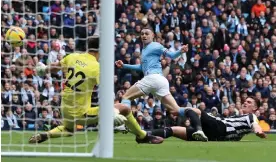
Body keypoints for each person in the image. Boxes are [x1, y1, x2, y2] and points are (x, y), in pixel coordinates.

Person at [29, 37, 163, 144]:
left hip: (65, 107)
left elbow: (55, 67)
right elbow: (106, 93)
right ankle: (142, 136)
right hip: (81, 113)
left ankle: (45, 135)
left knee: (69, 129)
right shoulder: (96, 67)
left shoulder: (72, 57)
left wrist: (44, 69)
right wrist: (112, 113)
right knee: (125, 108)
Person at [115, 27, 207, 142]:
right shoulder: (145, 50)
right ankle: (202, 115)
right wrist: (124, 66)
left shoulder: (155, 45)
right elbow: (141, 68)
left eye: (147, 34)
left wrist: (180, 51)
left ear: (152, 35)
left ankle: (123, 123)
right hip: (161, 81)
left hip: (152, 78)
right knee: (176, 110)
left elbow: (172, 56)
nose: (144, 35)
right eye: (142, 34)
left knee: (126, 97)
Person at [150, 96, 267, 141]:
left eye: (249, 102)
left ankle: (179, 111)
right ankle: (145, 134)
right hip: (213, 135)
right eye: (245, 101)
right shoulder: (240, 118)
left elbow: (255, 125)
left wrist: (258, 131)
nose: (245, 103)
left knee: (196, 111)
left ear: (255, 108)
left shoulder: (251, 116)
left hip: (219, 127)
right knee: (174, 130)